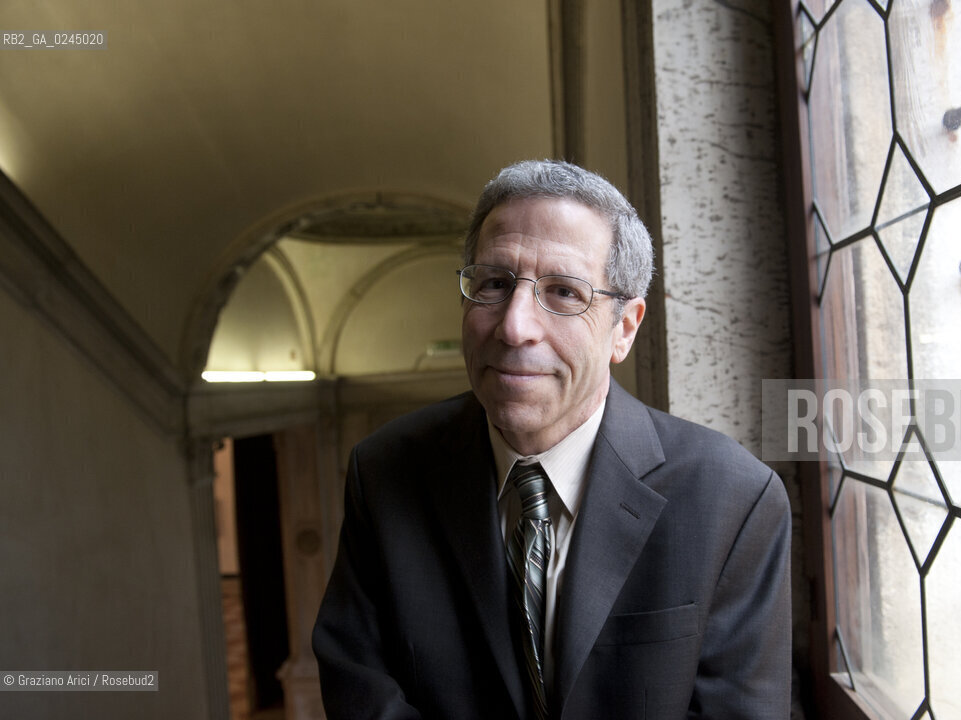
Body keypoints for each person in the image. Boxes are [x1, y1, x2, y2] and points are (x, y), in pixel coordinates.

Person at [312, 160, 791, 719]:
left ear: (624, 329)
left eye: (564, 292)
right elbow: (362, 696)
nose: (515, 327)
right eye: (494, 283)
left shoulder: (732, 498)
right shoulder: (385, 471)